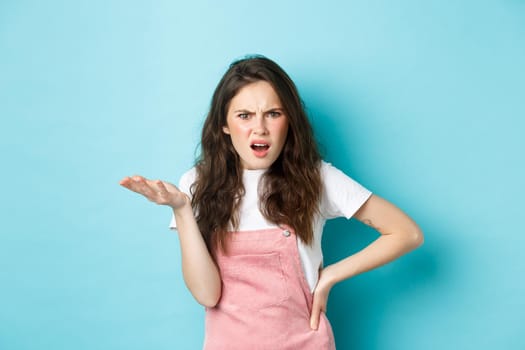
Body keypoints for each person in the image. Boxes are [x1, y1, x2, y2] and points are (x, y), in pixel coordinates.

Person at [119, 55, 424, 349]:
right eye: (244, 116)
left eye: (273, 114)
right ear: (224, 125)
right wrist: (182, 208)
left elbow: (406, 233)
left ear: (289, 121)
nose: (260, 127)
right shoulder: (196, 183)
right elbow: (207, 295)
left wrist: (331, 275)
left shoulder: (317, 178)